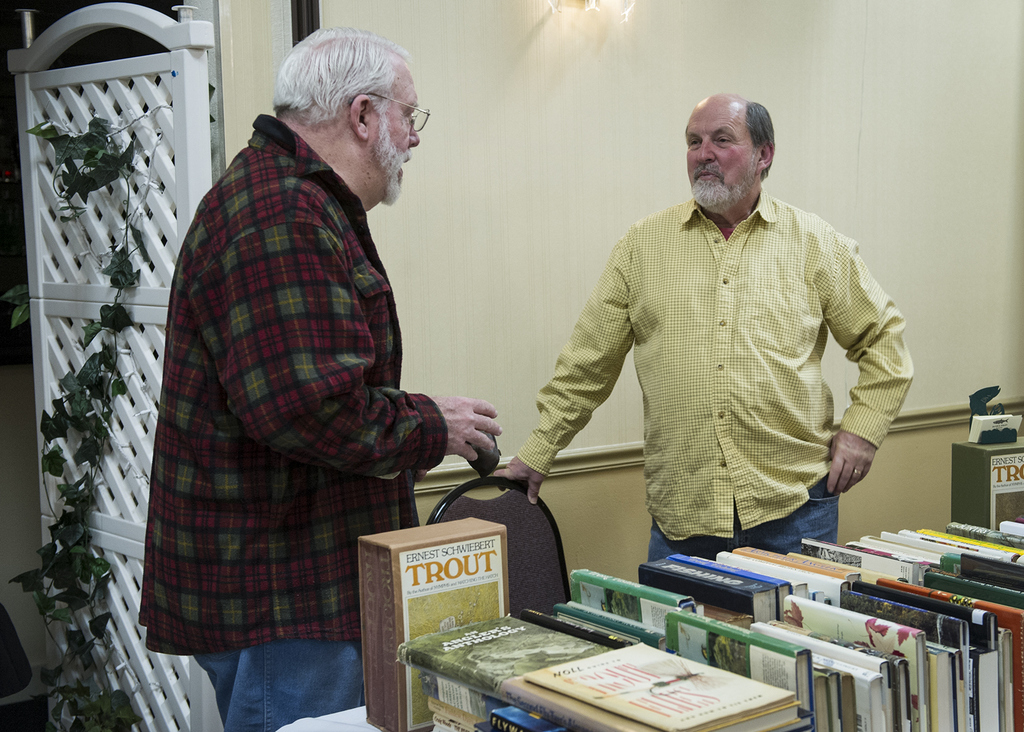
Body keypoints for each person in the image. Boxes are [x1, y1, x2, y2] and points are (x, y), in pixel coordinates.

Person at [139, 28, 502, 731]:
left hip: (288, 588)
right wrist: (434, 425)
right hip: (286, 597)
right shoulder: (282, 213)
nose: (414, 138)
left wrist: (420, 418)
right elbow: (310, 410)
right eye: (409, 116)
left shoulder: (288, 199)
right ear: (362, 115)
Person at [497, 93, 912, 562]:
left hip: (794, 509)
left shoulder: (814, 242)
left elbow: (883, 340)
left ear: (764, 155)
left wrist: (861, 433)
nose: (703, 154)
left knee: (799, 616)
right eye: (694, 142)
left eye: (722, 140)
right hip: (684, 515)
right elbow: (587, 364)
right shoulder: (642, 246)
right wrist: (540, 450)